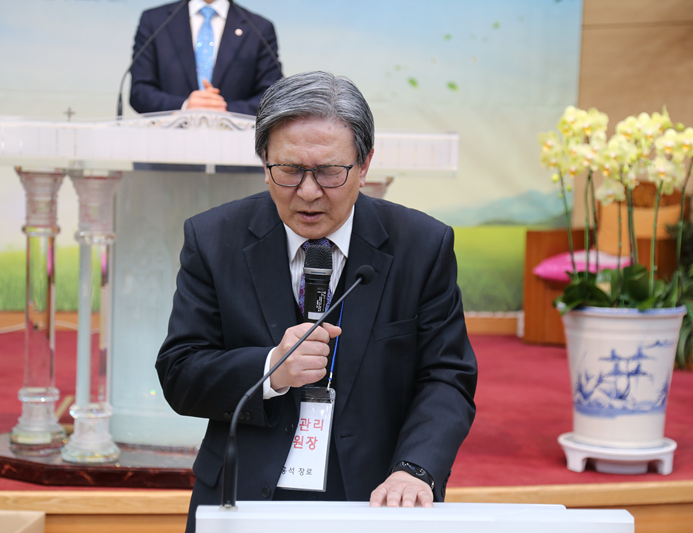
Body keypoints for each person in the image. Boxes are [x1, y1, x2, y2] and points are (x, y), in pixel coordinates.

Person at [156, 71, 477, 532]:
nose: (308, 192)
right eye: (289, 170)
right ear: (264, 162)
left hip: (375, 494)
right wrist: (271, 368)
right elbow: (180, 372)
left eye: (329, 171)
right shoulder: (213, 239)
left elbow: (447, 376)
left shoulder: (421, 246)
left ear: (364, 164)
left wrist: (415, 468)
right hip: (246, 493)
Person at [129, 0, 281, 115]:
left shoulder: (259, 28)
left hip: (234, 143)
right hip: (165, 141)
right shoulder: (154, 20)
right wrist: (184, 106)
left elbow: (273, 96)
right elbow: (139, 91)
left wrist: (225, 110)